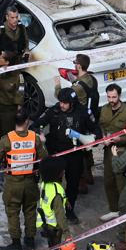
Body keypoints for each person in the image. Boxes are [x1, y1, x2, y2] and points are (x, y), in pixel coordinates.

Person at [42, 85, 97, 221]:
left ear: (72, 103)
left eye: (65, 103)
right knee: (53, 185)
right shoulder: (54, 111)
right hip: (57, 154)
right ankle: (53, 211)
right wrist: (40, 135)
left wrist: (90, 140)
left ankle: (69, 210)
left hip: (75, 155)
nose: (61, 105)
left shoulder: (83, 112)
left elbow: (96, 130)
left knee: (73, 184)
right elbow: (37, 124)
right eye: (60, 102)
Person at [0, 111, 41, 250]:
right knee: (30, 210)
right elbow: (45, 156)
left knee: (13, 212)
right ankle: (30, 241)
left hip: (13, 184)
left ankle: (16, 245)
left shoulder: (7, 139)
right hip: (30, 182)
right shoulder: (35, 138)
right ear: (27, 121)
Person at [99, 84, 126, 217]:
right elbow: (102, 126)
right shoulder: (104, 109)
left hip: (124, 152)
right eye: (109, 97)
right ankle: (114, 210)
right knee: (109, 181)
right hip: (109, 151)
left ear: (120, 96)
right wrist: (103, 137)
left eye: (114, 97)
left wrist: (120, 139)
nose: (111, 100)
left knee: (122, 183)